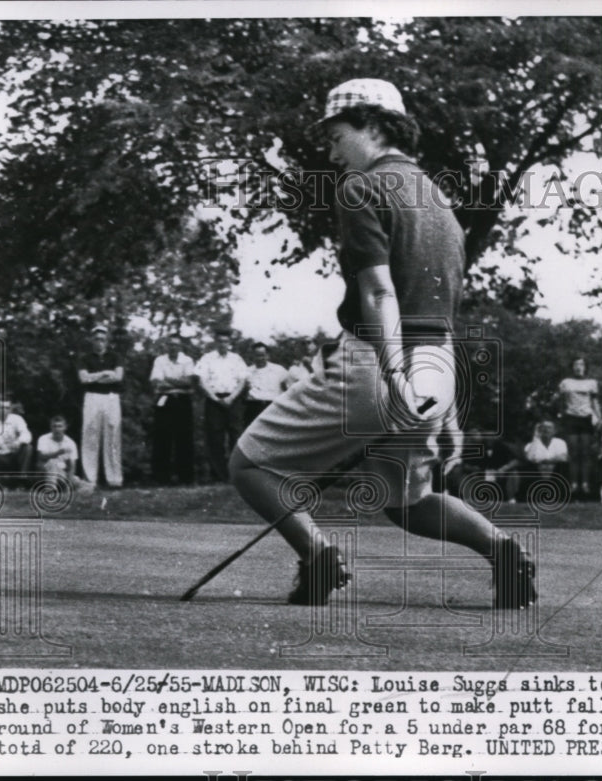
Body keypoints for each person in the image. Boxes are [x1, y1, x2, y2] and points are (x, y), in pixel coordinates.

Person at [228, 78, 536, 609]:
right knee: (408, 499)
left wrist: (392, 369)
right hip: (435, 367)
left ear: (371, 124)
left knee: (250, 464)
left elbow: (377, 289)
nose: (330, 150)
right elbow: (443, 308)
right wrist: (445, 406)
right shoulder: (439, 199)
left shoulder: (361, 188)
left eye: (335, 135)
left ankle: (319, 557)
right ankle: (503, 551)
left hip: (377, 362)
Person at [196, 328, 249, 482]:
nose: (222, 344)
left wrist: (231, 398)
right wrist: (215, 398)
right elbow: (202, 381)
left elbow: (242, 381)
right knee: (215, 437)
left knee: (236, 435)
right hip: (214, 400)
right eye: (220, 341)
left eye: (225, 341)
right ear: (215, 342)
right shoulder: (207, 358)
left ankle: (236, 474)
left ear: (229, 342)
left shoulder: (236, 359)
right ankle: (218, 474)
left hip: (233, 399)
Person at [77, 325, 124, 488]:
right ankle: (90, 479)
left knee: (113, 436)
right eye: (97, 339)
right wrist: (104, 374)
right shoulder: (85, 358)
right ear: (92, 340)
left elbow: (118, 377)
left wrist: (94, 376)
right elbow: (83, 379)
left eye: (102, 339)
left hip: (111, 398)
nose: (99, 342)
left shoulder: (115, 357)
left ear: (107, 341)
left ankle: (114, 479)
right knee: (90, 436)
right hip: (92, 397)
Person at [149, 334, 196, 485]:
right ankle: (161, 478)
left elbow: (189, 382)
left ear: (180, 347)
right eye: (170, 345)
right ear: (166, 346)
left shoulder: (187, 360)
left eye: (176, 345)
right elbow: (157, 382)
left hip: (182, 401)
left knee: (184, 438)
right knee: (162, 438)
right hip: (165, 401)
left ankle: (186, 478)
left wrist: (167, 380)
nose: (173, 347)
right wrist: (178, 383)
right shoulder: (160, 360)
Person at [556, 357, 602, 495]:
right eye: (575, 364)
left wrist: (600, 417)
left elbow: (595, 402)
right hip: (571, 418)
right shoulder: (566, 382)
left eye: (581, 364)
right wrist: (561, 414)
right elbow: (560, 401)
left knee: (586, 453)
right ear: (572, 367)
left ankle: (586, 483)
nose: (578, 367)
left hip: (586, 418)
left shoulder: (591, 382)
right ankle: (574, 484)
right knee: (574, 452)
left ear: (585, 367)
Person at [243, 342, 289, 426]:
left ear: (268, 355)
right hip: (253, 408)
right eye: (257, 355)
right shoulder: (247, 371)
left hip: (272, 407)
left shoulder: (279, 370)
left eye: (262, 355)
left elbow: (288, 388)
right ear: (252, 355)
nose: (260, 358)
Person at [35, 415, 79, 487]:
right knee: (52, 463)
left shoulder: (70, 443)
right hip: (44, 472)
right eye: (54, 426)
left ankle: (65, 485)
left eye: (59, 426)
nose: (57, 429)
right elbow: (40, 457)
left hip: (61, 473)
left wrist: (70, 479)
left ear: (65, 427)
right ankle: (51, 490)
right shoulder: (43, 439)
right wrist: (57, 453)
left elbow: (73, 465)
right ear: (51, 427)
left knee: (77, 481)